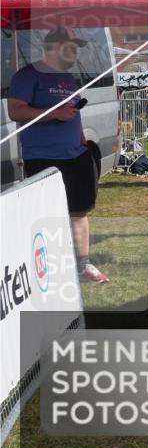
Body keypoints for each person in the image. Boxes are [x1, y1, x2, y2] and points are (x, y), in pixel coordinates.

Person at [7, 27, 109, 283]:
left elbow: (74, 114)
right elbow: (16, 112)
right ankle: (47, 268)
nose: (76, 53)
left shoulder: (67, 78)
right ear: (54, 48)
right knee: (46, 216)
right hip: (44, 157)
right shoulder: (27, 76)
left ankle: (82, 266)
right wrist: (54, 113)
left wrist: (83, 144)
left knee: (79, 211)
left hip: (76, 154)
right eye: (71, 47)